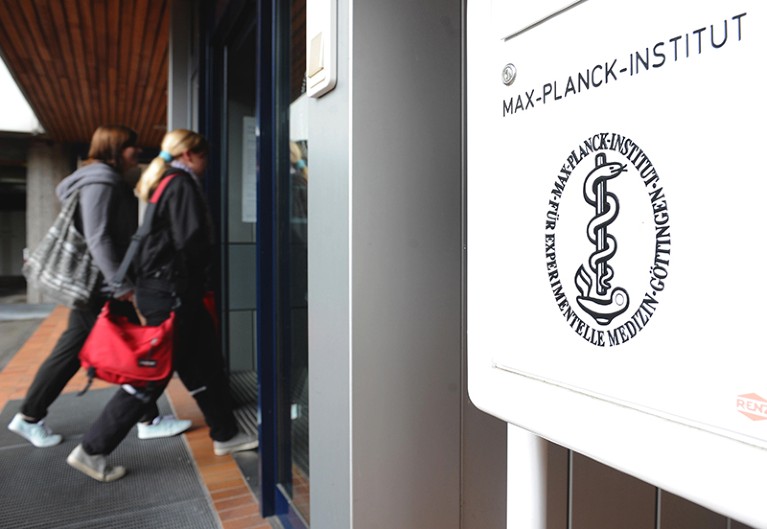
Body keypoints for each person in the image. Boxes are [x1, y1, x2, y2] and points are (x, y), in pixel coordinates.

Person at [66, 129, 258, 482]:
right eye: (204, 158)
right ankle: (92, 448)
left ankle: (226, 434)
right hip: (174, 293)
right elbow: (192, 242)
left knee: (205, 364)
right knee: (153, 374)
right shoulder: (180, 184)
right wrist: (208, 277)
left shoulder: (164, 183)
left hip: (166, 290)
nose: (206, 165)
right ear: (189, 155)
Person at [7, 125, 191, 448]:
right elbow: (99, 237)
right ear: (116, 150)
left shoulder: (103, 179)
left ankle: (31, 416)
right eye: (132, 148)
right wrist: (119, 284)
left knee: (73, 350)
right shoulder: (101, 181)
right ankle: (142, 420)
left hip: (101, 284)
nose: (137, 153)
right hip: (101, 286)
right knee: (133, 347)